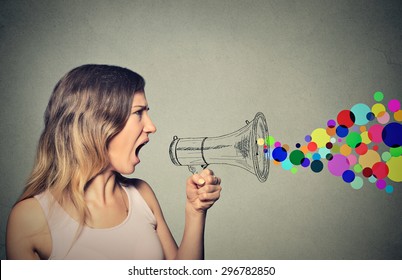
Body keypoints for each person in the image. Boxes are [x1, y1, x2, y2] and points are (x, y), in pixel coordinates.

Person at [6, 64, 222, 260]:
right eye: (138, 113)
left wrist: (195, 212)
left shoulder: (142, 194)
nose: (151, 126)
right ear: (97, 123)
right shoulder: (30, 218)